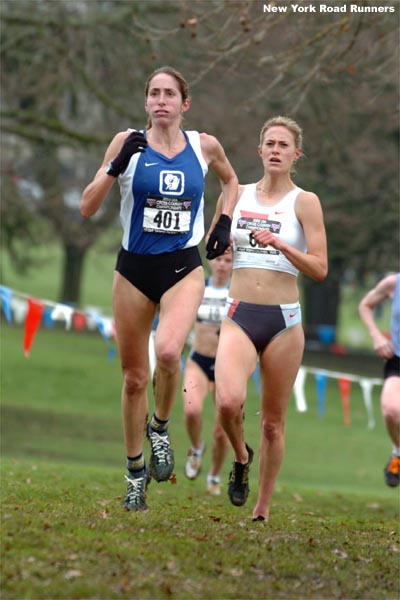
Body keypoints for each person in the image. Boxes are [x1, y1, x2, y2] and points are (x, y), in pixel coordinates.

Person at [80, 66, 238, 511]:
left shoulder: (203, 146)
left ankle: (161, 429)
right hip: (133, 270)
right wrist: (114, 166)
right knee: (133, 379)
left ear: (184, 104)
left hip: (183, 268)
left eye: (170, 94)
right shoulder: (126, 142)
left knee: (168, 352)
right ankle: (134, 476)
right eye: (154, 93)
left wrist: (223, 221)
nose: (161, 100)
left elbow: (230, 181)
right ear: (146, 102)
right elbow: (87, 207)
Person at [210, 116, 328, 522]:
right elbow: (213, 245)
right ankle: (241, 457)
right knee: (227, 401)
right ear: (259, 150)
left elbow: (319, 268)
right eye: (270, 144)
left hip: (284, 322)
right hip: (240, 314)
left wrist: (279, 243)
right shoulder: (235, 194)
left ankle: (261, 508)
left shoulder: (304, 202)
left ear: (296, 154)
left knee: (274, 424)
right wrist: (219, 238)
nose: (276, 150)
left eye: (284, 145)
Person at [183, 249, 233, 495]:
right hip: (198, 360)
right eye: (219, 259)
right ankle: (196, 448)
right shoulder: (198, 288)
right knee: (191, 410)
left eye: (228, 260)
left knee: (222, 433)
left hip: (227, 366)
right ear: (210, 261)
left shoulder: (237, 293)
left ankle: (214, 476)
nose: (222, 265)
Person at [358, 273, 400, 487]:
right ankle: (398, 452)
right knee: (391, 410)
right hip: (397, 360)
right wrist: (376, 336)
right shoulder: (394, 283)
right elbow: (365, 305)